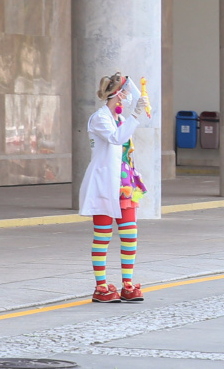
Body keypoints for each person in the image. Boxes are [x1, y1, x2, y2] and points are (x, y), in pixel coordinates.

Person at [78, 72, 151, 303]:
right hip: (104, 184)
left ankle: (127, 284)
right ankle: (101, 287)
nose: (129, 97)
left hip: (124, 185)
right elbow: (116, 139)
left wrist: (136, 110)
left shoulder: (119, 119)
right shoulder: (100, 118)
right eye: (126, 93)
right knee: (103, 236)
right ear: (117, 95)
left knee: (130, 235)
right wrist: (136, 114)